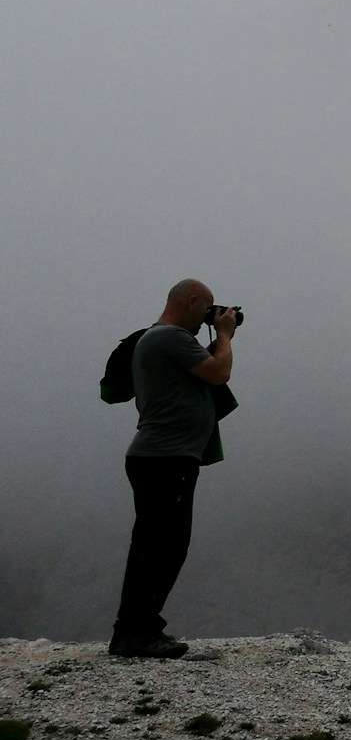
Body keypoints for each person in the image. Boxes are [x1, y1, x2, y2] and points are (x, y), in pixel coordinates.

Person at [110, 277, 236, 659]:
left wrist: (219, 339)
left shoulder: (168, 341)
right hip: (164, 458)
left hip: (166, 457)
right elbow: (219, 373)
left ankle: (138, 629)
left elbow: (206, 370)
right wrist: (226, 335)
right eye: (207, 308)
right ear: (192, 300)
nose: (208, 317)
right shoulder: (169, 337)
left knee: (160, 546)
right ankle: (135, 632)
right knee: (160, 547)